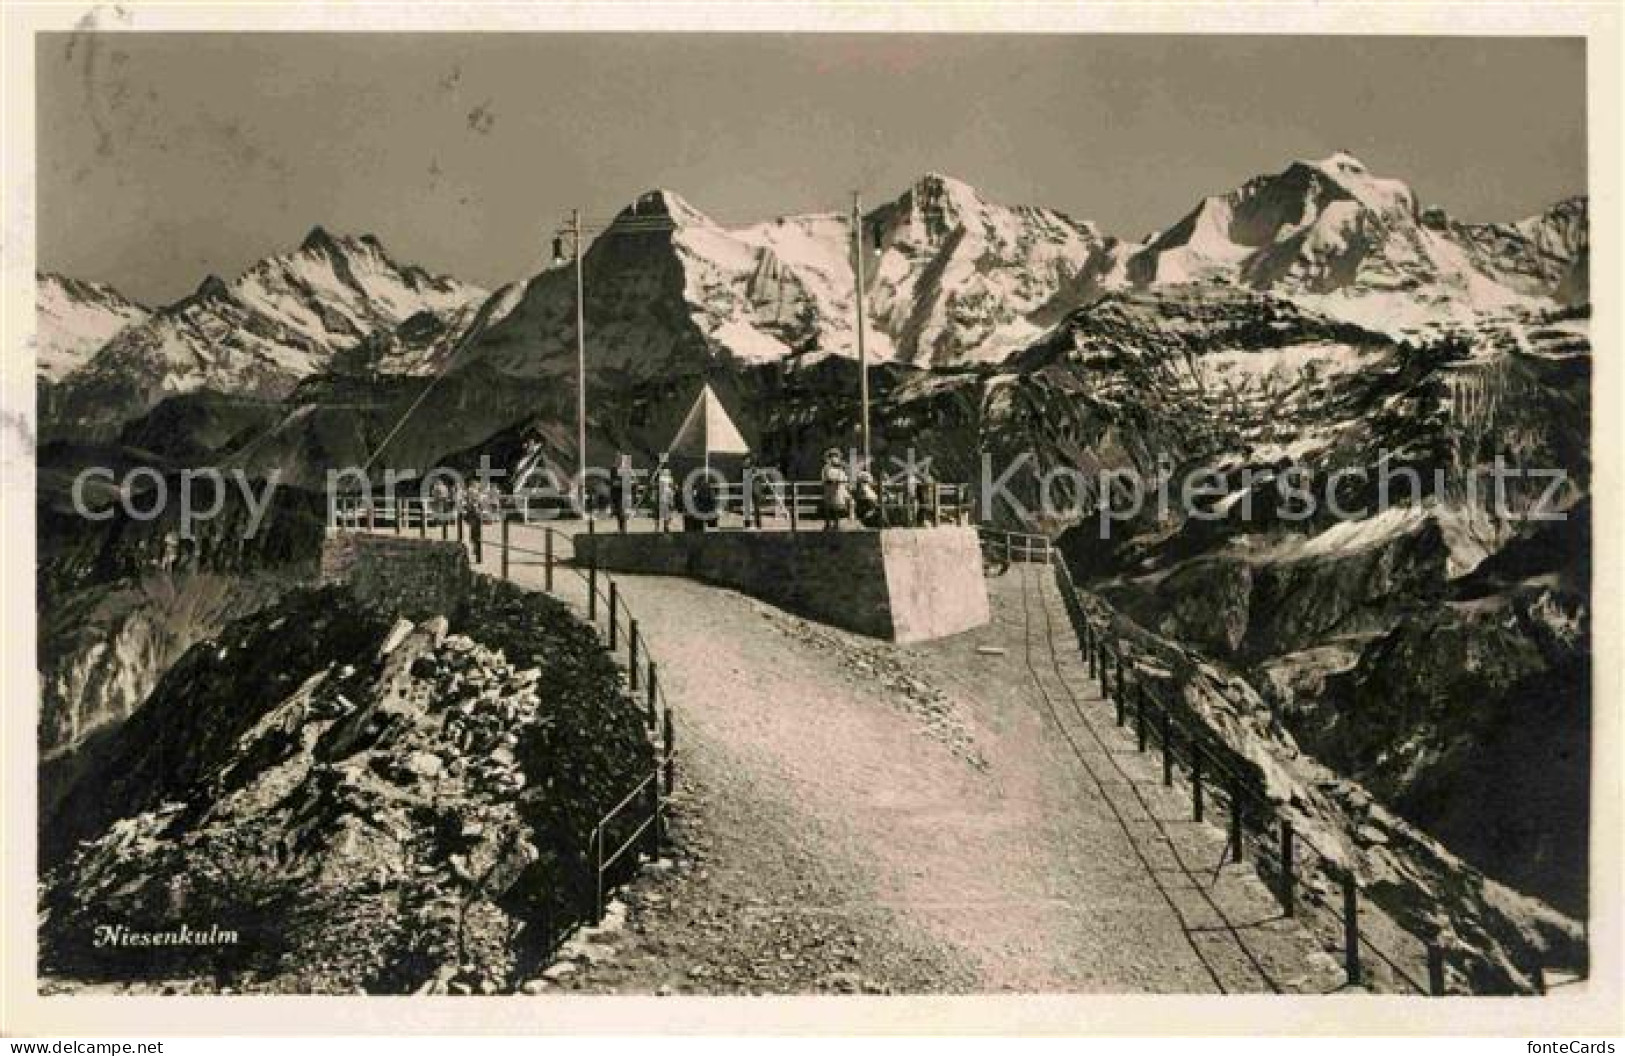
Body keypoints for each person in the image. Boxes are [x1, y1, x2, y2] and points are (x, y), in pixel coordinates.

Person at [821, 448, 851, 531]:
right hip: (830, 490)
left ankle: (837, 524)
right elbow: (825, 478)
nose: (834, 458)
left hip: (838, 491)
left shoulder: (841, 468)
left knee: (837, 508)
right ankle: (827, 524)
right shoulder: (826, 468)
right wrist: (832, 481)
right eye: (832, 456)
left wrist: (843, 482)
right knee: (829, 508)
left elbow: (845, 478)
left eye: (835, 456)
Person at [654, 456, 676, 533]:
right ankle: (659, 527)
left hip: (666, 496)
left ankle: (665, 527)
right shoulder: (657, 473)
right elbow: (655, 484)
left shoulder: (668, 476)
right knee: (660, 513)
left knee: (666, 512)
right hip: (661, 496)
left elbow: (671, 485)